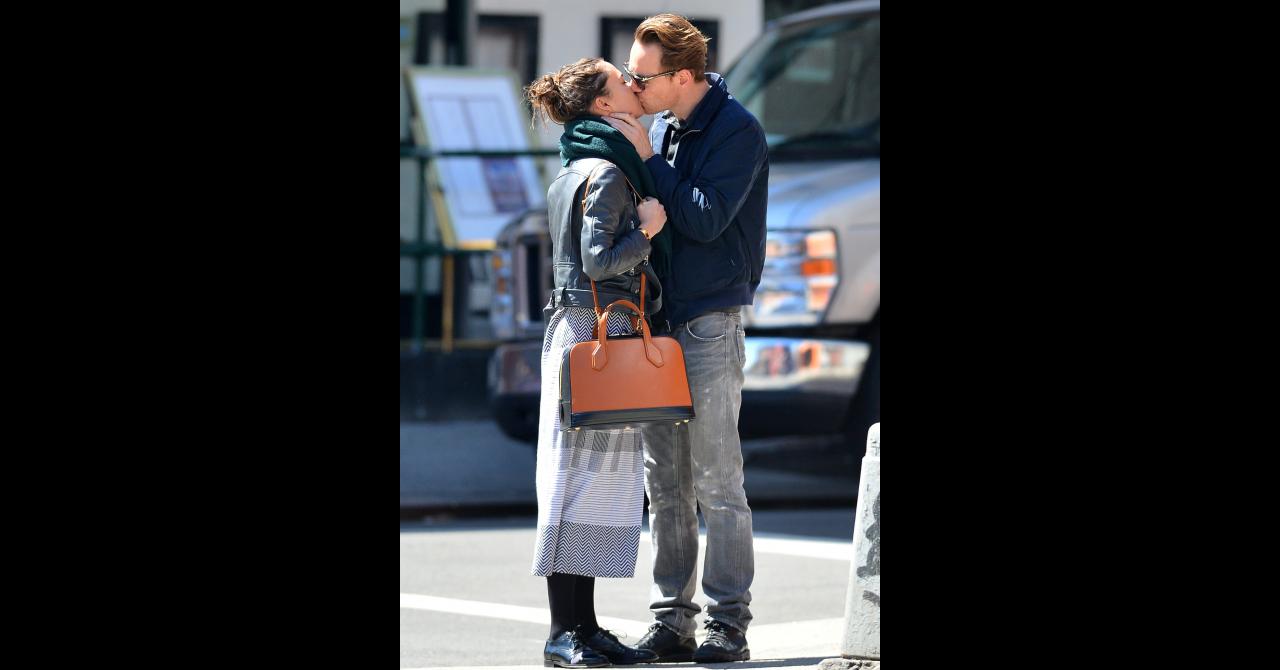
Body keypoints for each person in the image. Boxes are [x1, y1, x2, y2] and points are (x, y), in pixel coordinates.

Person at [602, 14, 770, 664]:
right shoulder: (665, 125)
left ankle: (729, 624)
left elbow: (702, 218)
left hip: (709, 321)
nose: (633, 86)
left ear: (681, 76)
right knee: (665, 483)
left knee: (717, 481)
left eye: (642, 77)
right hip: (659, 321)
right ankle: (672, 620)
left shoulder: (736, 130)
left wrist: (648, 159)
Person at [525, 56, 672, 669]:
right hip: (596, 332)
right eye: (622, 81)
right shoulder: (608, 171)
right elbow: (599, 260)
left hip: (580, 330)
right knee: (579, 483)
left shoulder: (573, 165)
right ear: (604, 106)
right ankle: (564, 634)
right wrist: (649, 229)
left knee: (584, 484)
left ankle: (583, 628)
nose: (634, 87)